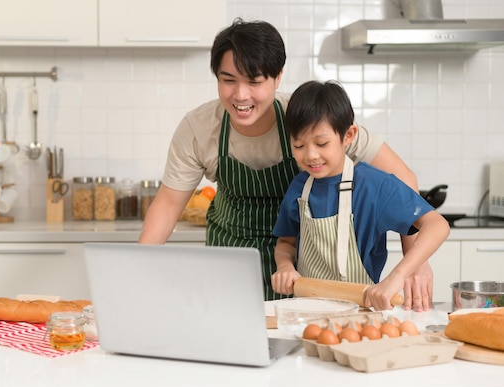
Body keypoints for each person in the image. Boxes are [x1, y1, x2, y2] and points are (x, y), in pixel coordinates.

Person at [138, 18, 434, 310]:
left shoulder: (308, 118)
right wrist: (134, 275)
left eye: (254, 81)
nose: (240, 95)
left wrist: (416, 263)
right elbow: (167, 206)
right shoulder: (199, 128)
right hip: (229, 263)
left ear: (277, 77)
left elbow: (401, 176)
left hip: (300, 272)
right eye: (228, 80)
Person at [271, 80, 450, 311]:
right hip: (305, 313)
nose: (311, 155)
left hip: (361, 315)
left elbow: (438, 225)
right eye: (299, 145)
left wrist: (396, 277)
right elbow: (286, 242)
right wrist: (284, 266)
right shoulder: (299, 187)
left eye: (322, 143)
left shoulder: (375, 186)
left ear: (348, 135)